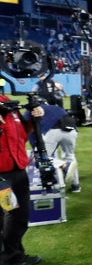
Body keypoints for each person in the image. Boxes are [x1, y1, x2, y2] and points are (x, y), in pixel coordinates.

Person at [0, 95, 44, 265]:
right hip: (1, 175)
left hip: (18, 170)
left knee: (20, 215)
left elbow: (21, 135)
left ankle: (13, 255)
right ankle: (10, 257)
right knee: (8, 214)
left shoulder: (9, 103)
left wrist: (34, 119)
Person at [23, 104, 80, 193]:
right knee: (70, 156)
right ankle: (76, 186)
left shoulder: (29, 112)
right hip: (71, 129)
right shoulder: (53, 107)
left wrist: (36, 151)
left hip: (53, 131)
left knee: (40, 158)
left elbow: (30, 133)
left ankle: (63, 167)